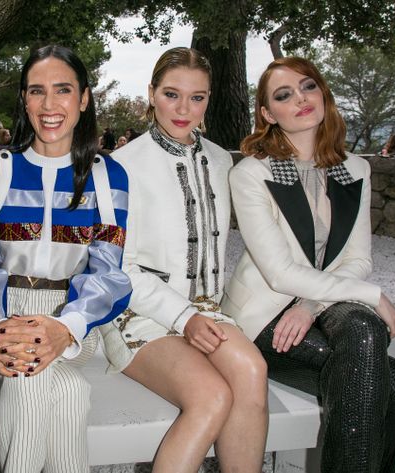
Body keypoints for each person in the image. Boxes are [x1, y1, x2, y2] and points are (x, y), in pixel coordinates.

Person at [223, 56, 395, 473]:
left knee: (390, 370)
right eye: (283, 95)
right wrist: (372, 296)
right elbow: (279, 273)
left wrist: (310, 306)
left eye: (307, 86)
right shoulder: (252, 174)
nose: (300, 98)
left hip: (318, 306)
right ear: (267, 114)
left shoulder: (355, 169)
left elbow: (357, 258)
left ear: (323, 94)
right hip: (264, 316)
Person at [0, 45, 131, 473]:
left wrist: (63, 326)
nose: (49, 105)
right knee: (64, 391)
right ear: (24, 99)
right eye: (37, 91)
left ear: (84, 98)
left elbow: (110, 275)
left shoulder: (109, 177)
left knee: (29, 373)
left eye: (63, 90)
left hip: (75, 323)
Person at [99, 47, 268, 473]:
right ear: (151, 93)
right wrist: (183, 316)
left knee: (252, 370)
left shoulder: (220, 159)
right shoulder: (120, 166)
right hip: (138, 315)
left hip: (209, 313)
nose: (183, 108)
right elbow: (121, 268)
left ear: (209, 100)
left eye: (197, 97)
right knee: (211, 397)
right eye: (172, 94)